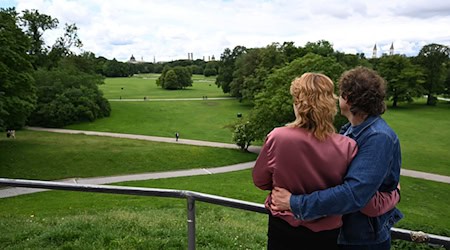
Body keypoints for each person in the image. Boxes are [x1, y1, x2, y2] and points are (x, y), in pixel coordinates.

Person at [253, 72, 399, 250]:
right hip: (336, 232)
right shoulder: (349, 136)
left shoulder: (378, 137)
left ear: (347, 99)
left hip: (361, 239)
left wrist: (293, 202)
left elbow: (356, 195)